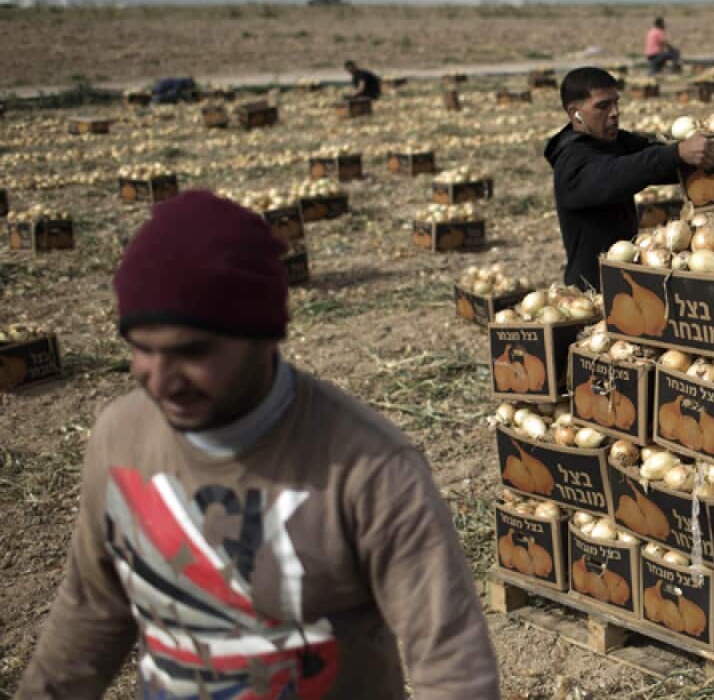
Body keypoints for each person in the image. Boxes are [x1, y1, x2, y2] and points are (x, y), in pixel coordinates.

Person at [18, 191, 500, 698]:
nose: (160, 381)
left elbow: (451, 666)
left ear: (266, 336)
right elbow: (91, 613)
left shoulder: (369, 468)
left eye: (193, 352)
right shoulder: (120, 438)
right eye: (142, 349)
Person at [544, 67, 714, 290]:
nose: (615, 112)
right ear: (575, 113)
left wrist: (695, 155)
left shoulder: (614, 142)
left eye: (616, 103)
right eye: (603, 106)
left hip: (628, 276)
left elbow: (651, 158)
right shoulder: (571, 161)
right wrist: (676, 153)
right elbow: (615, 174)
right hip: (594, 289)